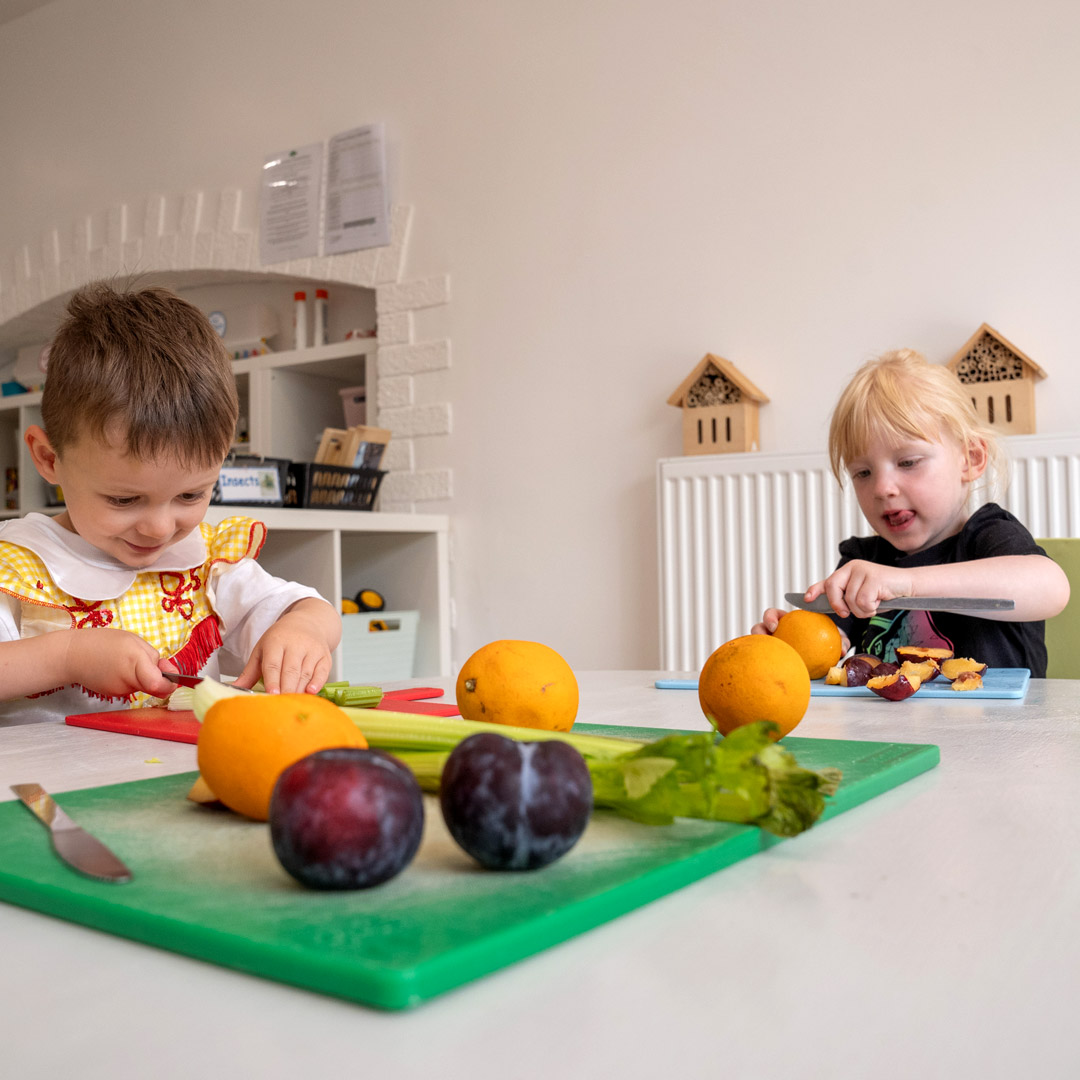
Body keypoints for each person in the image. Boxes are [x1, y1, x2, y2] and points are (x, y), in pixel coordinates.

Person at [0, 281, 341, 724]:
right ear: (49, 459)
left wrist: (304, 629)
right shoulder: (21, 566)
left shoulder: (205, 563)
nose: (160, 529)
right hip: (51, 789)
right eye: (124, 499)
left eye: (190, 494)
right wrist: (67, 654)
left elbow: (310, 608)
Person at [752, 349, 1070, 676]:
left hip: (999, 727)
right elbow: (828, 647)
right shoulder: (862, 560)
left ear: (970, 459)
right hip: (887, 728)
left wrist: (906, 583)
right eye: (863, 473)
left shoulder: (987, 534)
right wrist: (788, 642)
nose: (882, 488)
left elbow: (1051, 588)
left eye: (907, 463)